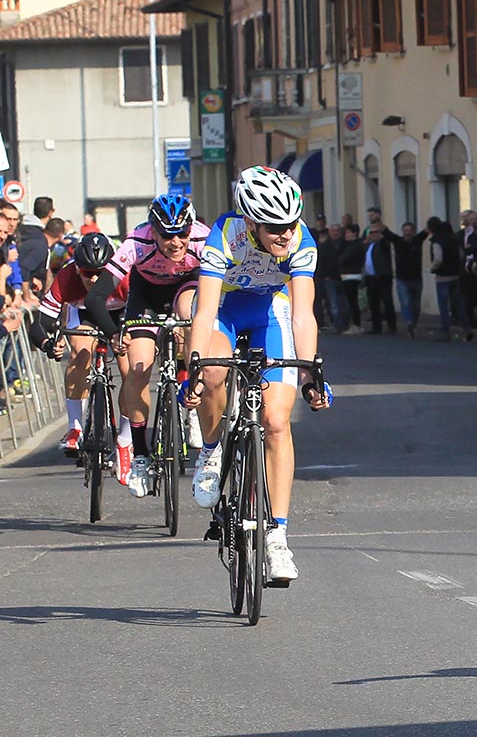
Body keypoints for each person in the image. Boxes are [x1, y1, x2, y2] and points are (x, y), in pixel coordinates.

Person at [186, 167, 331, 585]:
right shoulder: (225, 236)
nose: (285, 235)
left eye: (289, 224)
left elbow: (303, 315)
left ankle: (278, 537)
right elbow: (206, 310)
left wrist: (310, 375)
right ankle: (211, 449)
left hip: (271, 311)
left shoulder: (302, 240)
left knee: (276, 421)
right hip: (226, 311)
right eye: (274, 227)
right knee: (213, 372)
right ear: (250, 222)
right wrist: (195, 366)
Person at [97, 194, 210, 497]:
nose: (176, 243)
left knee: (191, 318)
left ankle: (193, 406)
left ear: (191, 228)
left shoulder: (203, 238)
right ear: (153, 232)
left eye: (182, 234)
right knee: (138, 369)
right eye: (167, 236)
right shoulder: (136, 242)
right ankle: (141, 455)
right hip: (145, 297)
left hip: (186, 287)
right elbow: (97, 295)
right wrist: (112, 332)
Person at [31, 235, 130, 462]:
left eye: (100, 273)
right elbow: (38, 324)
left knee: (128, 366)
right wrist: (48, 344)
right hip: (83, 314)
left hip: (119, 314)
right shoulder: (66, 278)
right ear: (77, 269)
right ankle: (75, 427)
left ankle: (127, 437)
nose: (94, 278)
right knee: (80, 350)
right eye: (87, 273)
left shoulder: (124, 276)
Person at [428, 217, 473, 341]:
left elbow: (438, 258)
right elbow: (461, 255)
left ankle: (445, 332)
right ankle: (467, 328)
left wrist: (432, 268)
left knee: (443, 305)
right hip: (455, 274)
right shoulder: (454, 238)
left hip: (442, 276)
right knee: (459, 303)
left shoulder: (437, 240)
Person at [363, 223, 398, 334]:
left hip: (383, 277)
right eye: (371, 233)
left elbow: (386, 241)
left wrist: (383, 234)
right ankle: (376, 326)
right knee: (373, 303)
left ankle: (391, 326)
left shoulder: (383, 244)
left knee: (387, 301)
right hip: (371, 277)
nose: (373, 235)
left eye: (376, 232)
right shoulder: (368, 245)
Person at [395, 222, 428, 337]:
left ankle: (413, 325)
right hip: (402, 279)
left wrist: (434, 223)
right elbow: (386, 232)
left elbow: (427, 230)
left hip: (416, 279)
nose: (407, 233)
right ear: (402, 232)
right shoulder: (398, 241)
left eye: (409, 230)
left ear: (413, 232)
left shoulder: (417, 240)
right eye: (405, 230)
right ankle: (409, 322)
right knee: (406, 302)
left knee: (416, 305)